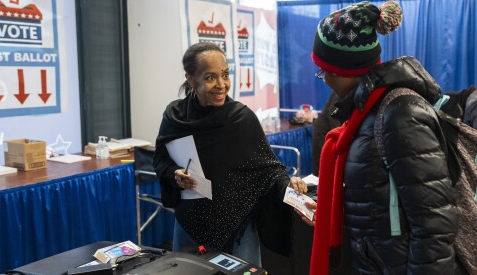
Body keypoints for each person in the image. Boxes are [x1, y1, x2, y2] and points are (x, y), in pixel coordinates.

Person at [295, 1, 467, 274]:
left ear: (345, 69)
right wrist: (332, 211)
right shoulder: (365, 113)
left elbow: (434, 223)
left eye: (324, 70)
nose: (324, 79)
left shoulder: (399, 114)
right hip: (379, 262)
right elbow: (379, 199)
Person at [152, 42, 307, 267]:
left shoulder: (241, 119)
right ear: (190, 79)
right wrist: (174, 174)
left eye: (225, 75)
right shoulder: (174, 116)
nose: (221, 85)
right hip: (190, 222)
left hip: (238, 226)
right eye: (210, 77)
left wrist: (288, 184)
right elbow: (161, 159)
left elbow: (268, 170)